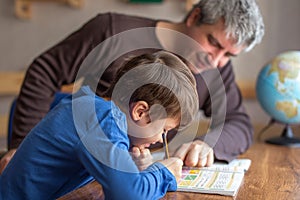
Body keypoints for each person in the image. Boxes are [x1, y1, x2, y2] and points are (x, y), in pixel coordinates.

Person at [0, 0, 265, 173]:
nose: (216, 61)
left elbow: (238, 122)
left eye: (229, 55)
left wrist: (208, 145)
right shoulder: (111, 30)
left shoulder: (216, 67)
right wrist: (21, 147)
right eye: (214, 42)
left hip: (135, 172)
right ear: (194, 16)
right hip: (78, 167)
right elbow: (44, 71)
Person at [0, 51, 199, 199]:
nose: (159, 139)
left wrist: (132, 168)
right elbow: (127, 196)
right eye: (164, 130)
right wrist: (162, 173)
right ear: (140, 111)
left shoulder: (95, 110)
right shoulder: (103, 121)